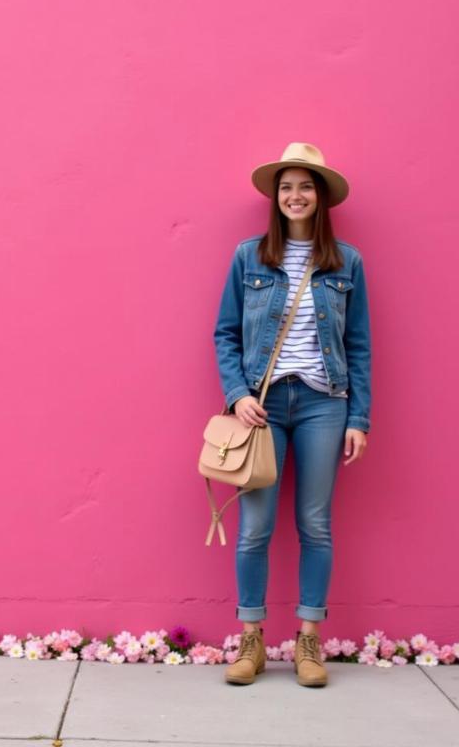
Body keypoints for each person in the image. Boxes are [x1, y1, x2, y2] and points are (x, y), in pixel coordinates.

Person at [213, 143, 370, 687]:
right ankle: (251, 640)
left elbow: (359, 344)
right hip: (264, 406)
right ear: (275, 197)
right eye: (287, 187)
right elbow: (226, 333)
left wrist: (359, 418)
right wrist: (237, 394)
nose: (295, 195)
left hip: (325, 403)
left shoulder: (346, 262)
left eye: (305, 186)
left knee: (315, 524)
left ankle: (309, 640)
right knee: (255, 527)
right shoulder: (248, 257)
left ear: (320, 197)